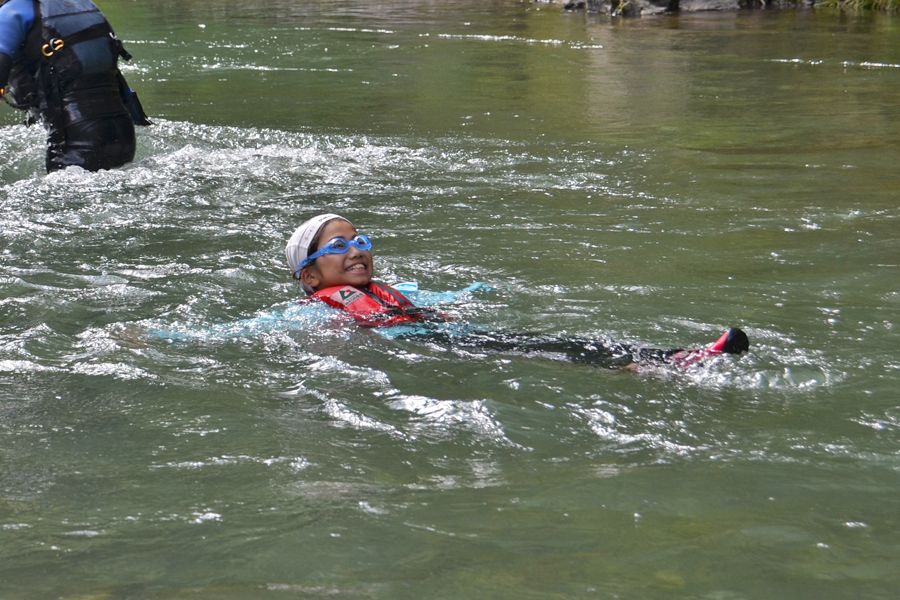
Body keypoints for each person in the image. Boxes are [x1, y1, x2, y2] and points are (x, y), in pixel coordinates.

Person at [285, 214, 750, 371]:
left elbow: (435, 303)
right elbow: (264, 329)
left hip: (443, 336)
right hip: (429, 348)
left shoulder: (390, 291)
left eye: (360, 241)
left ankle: (659, 362)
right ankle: (668, 361)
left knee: (552, 343)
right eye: (339, 246)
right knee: (545, 348)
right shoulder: (314, 309)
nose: (356, 250)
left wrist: (477, 291)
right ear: (310, 278)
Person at [0, 0, 150, 173]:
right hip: (124, 134)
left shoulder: (13, 12)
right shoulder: (84, 5)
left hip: (77, 139)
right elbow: (120, 84)